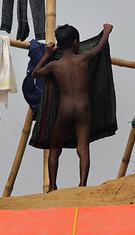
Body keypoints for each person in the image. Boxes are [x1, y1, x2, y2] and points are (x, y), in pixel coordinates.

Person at [31, 23, 112, 192]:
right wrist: (106, 31)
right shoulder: (84, 58)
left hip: (65, 109)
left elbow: (35, 73)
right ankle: (82, 184)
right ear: (76, 43)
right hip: (83, 109)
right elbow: (100, 46)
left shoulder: (55, 65)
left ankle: (52, 186)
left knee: (55, 149)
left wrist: (47, 55)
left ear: (59, 45)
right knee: (83, 147)